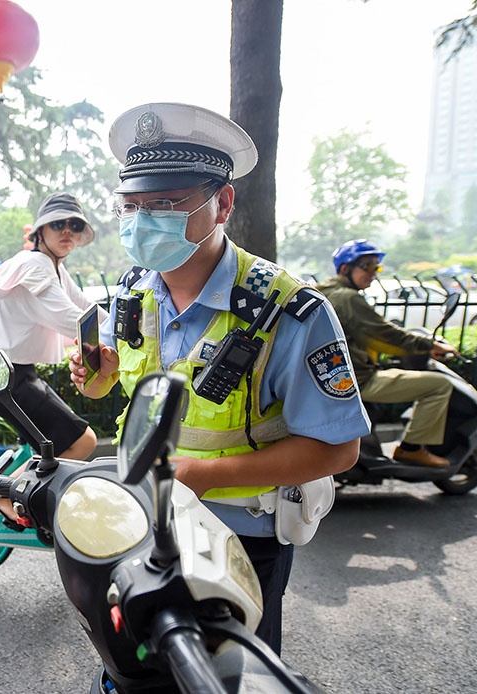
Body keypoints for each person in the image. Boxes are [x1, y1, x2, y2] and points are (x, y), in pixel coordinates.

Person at [69, 102, 370, 655]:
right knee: (144, 666)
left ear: (223, 202)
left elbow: (338, 449)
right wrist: (97, 378)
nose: (141, 220)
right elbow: (104, 387)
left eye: (164, 203)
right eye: (131, 204)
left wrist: (206, 475)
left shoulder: (289, 311)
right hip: (144, 522)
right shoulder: (133, 289)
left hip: (241, 537)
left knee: (233, 674)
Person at [0, 192, 102, 463]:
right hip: (3, 376)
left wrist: (121, 327)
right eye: (57, 223)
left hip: (8, 372)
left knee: (52, 449)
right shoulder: (35, 265)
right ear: (40, 231)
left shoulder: (53, 266)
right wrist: (120, 336)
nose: (67, 230)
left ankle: (14, 493)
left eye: (75, 225)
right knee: (82, 442)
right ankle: (1, 495)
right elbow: (72, 320)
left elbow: (87, 308)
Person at [316, 239, 456, 468]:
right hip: (358, 380)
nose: (373, 273)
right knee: (439, 385)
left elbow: (371, 337)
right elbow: (384, 335)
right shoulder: (348, 298)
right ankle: (411, 449)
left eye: (376, 267)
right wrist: (429, 345)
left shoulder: (326, 292)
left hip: (333, 378)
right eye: (367, 266)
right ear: (345, 269)